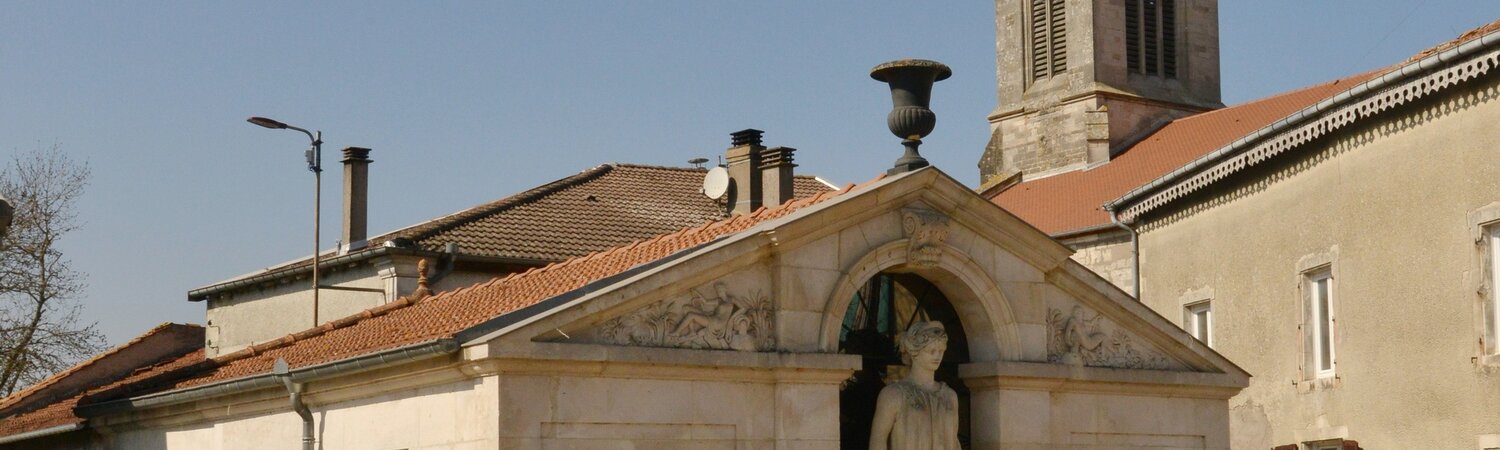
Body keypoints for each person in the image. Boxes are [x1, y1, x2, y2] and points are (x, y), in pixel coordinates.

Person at [869, 321, 959, 450]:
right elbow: (878, 441)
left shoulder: (950, 396)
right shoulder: (893, 394)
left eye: (941, 350)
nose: (937, 356)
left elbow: (954, 442)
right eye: (931, 350)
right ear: (914, 351)